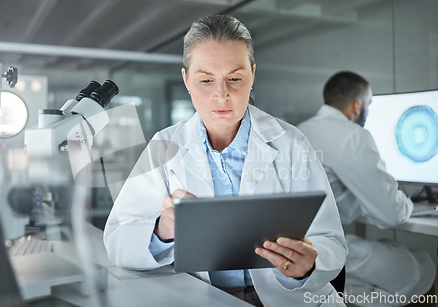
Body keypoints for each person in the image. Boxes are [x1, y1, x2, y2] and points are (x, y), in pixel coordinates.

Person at [104, 15, 347, 306]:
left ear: (252, 75)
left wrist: (304, 268)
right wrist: (162, 231)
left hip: (287, 298)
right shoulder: (163, 146)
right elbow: (117, 240)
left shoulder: (290, 142)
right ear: (186, 80)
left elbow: (330, 240)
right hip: (203, 297)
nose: (222, 95)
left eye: (235, 79)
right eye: (206, 80)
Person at [297, 71, 436, 306]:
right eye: (369, 104)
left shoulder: (300, 130)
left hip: (297, 252)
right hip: (322, 252)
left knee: (371, 277)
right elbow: (392, 214)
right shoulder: (352, 136)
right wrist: (409, 203)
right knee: (423, 266)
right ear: (357, 105)